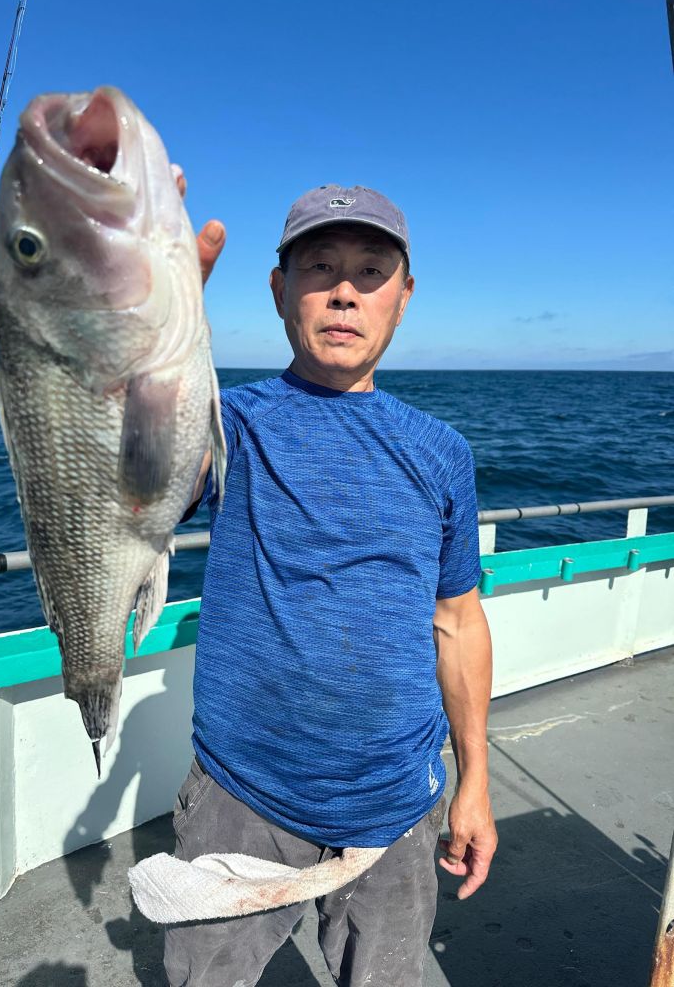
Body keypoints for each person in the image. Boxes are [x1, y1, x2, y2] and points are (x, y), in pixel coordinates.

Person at [167, 184, 497, 987]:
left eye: (371, 271)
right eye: (319, 267)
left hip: (398, 805)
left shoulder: (442, 451)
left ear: (404, 297)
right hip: (241, 796)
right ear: (279, 291)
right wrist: (161, 312)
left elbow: (457, 621)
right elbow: (132, 472)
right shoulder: (226, 424)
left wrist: (476, 781)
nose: (345, 290)